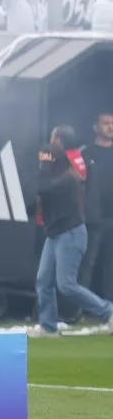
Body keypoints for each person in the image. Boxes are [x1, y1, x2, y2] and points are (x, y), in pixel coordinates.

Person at [28, 126, 113, 337]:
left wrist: (46, 162)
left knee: (66, 284)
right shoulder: (61, 171)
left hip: (71, 232)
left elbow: (42, 188)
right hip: (56, 233)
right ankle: (48, 327)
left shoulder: (68, 176)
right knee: (44, 281)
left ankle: (108, 312)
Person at [79, 111, 113, 299]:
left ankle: (109, 309)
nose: (110, 126)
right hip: (92, 219)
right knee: (87, 264)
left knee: (111, 265)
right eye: (105, 123)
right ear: (96, 127)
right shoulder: (86, 153)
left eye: (112, 123)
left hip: (112, 217)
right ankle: (80, 306)